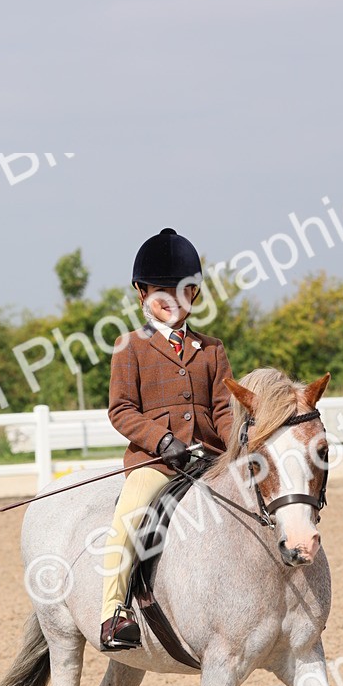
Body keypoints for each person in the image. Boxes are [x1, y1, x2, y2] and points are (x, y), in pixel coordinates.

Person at [100, 227, 235, 651]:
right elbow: (122, 410)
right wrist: (161, 442)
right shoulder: (129, 347)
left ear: (195, 294)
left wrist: (236, 448)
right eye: (163, 291)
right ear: (142, 293)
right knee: (129, 518)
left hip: (210, 458)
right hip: (156, 462)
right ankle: (114, 612)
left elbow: (224, 409)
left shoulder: (212, 349)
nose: (174, 299)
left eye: (183, 290)